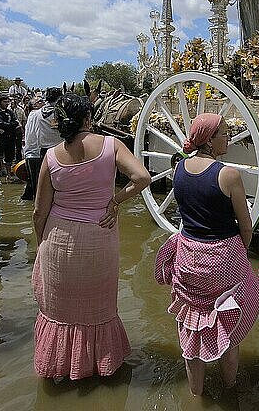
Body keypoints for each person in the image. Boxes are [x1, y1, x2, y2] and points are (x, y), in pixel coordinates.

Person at [32, 92, 151, 380]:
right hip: (100, 235)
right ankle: (100, 366)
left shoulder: (51, 156)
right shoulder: (111, 145)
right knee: (99, 308)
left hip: (58, 240)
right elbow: (143, 178)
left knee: (60, 311)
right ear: (88, 117)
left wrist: (41, 246)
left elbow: (39, 211)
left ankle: (62, 367)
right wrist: (115, 201)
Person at [155, 113, 259, 396]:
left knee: (191, 324)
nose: (228, 137)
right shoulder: (228, 174)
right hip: (223, 258)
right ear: (210, 140)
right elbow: (246, 226)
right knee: (229, 324)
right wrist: (236, 251)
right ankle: (230, 390)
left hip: (188, 255)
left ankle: (196, 395)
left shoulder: (178, 168)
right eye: (224, 133)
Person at [0, 94, 19, 182]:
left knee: (10, 156)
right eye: (4, 102)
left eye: (7, 102)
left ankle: (9, 176)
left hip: (11, 137)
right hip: (0, 138)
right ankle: (1, 173)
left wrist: (8, 126)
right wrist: (10, 125)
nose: (6, 103)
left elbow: (16, 122)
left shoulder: (10, 112)